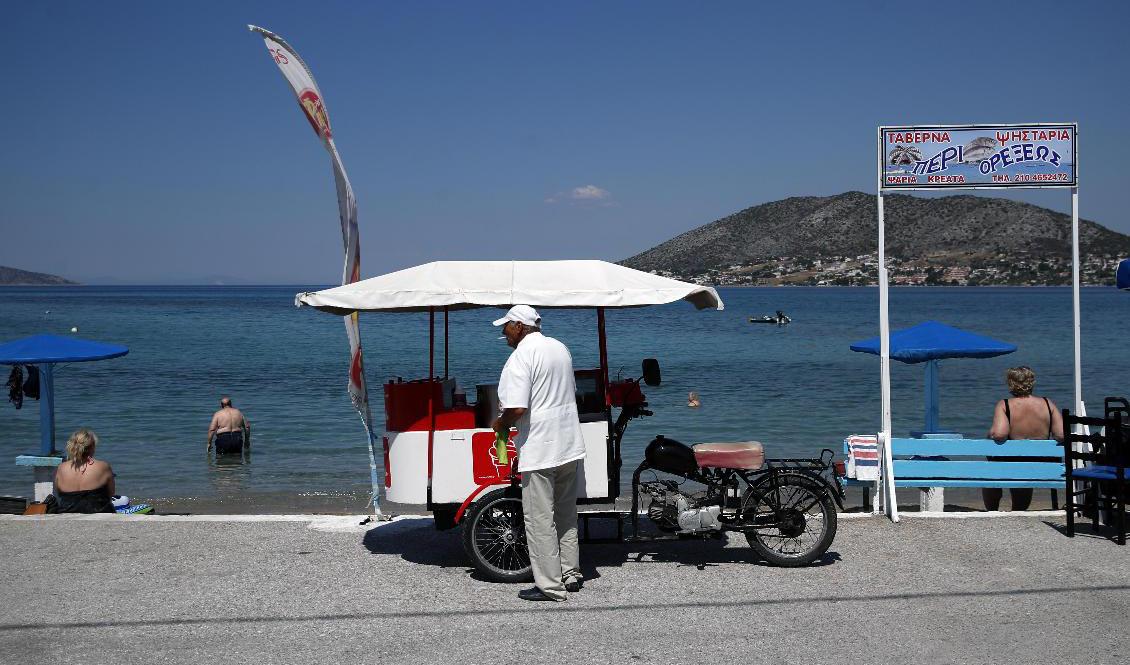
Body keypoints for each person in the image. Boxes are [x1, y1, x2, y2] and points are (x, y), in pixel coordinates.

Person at [492, 305, 586, 602]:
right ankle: (571, 573)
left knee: (540, 519)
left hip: (541, 449)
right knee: (566, 513)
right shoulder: (560, 348)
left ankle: (550, 586)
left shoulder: (520, 356)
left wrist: (499, 423)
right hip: (569, 443)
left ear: (519, 326)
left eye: (506, 326)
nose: (503, 331)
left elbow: (517, 408)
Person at [983, 366, 1064, 511]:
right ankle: (1019, 510)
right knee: (1022, 464)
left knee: (992, 468)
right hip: (1043, 465)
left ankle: (992, 511)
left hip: (1014, 464)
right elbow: (1061, 435)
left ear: (1011, 383)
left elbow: (1000, 434)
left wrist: (991, 433)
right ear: (1032, 382)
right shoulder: (1047, 403)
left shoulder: (1005, 405)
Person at [54, 428, 115, 513]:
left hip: (67, 513)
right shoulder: (103, 466)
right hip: (99, 513)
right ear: (92, 447)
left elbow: (58, 492)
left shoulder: (61, 468)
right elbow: (111, 493)